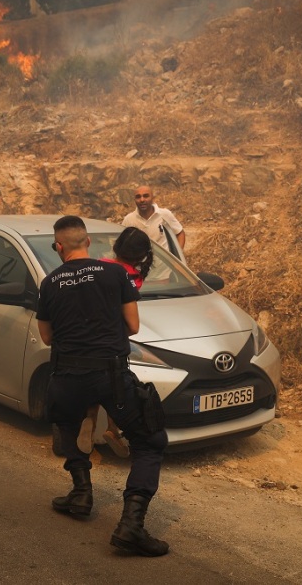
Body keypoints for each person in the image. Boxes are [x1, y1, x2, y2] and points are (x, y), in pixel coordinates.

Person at [37, 215, 169, 557]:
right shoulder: (116, 274)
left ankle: (81, 493)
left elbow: (47, 336)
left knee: (67, 425)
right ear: (89, 242)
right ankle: (131, 525)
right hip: (109, 375)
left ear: (58, 247)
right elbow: (133, 326)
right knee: (149, 441)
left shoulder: (50, 283)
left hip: (66, 376)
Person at [77, 227, 155, 458]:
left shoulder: (97, 265)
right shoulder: (134, 278)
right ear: (141, 256)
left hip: (88, 337)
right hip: (113, 340)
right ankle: (113, 429)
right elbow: (131, 324)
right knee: (115, 388)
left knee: (93, 384)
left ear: (116, 246)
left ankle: (89, 421)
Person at [122, 185, 186, 253]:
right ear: (134, 199)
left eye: (146, 196)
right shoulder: (129, 220)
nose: (142, 200)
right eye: (138, 197)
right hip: (140, 262)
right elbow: (121, 243)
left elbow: (180, 233)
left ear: (153, 198)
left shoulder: (165, 214)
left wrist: (177, 255)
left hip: (163, 262)